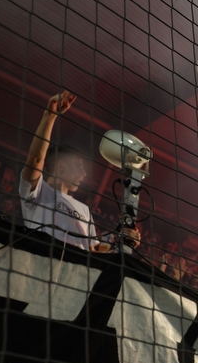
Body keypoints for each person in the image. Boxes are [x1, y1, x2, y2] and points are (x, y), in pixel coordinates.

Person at [20, 91, 138, 251]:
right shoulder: (39, 191)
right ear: (60, 167)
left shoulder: (84, 210)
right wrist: (50, 115)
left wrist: (123, 243)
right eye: (78, 167)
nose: (83, 174)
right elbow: (35, 159)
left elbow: (93, 251)